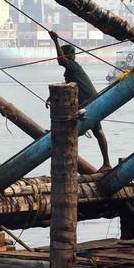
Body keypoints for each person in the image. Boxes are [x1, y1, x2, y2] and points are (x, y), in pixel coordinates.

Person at [48, 28, 111, 168]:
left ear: (68, 56)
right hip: (88, 103)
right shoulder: (71, 70)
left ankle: (106, 163)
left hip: (90, 103)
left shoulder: (73, 66)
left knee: (91, 130)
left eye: (63, 54)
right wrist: (51, 96)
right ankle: (106, 163)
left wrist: (55, 41)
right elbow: (68, 85)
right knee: (96, 131)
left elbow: (61, 60)